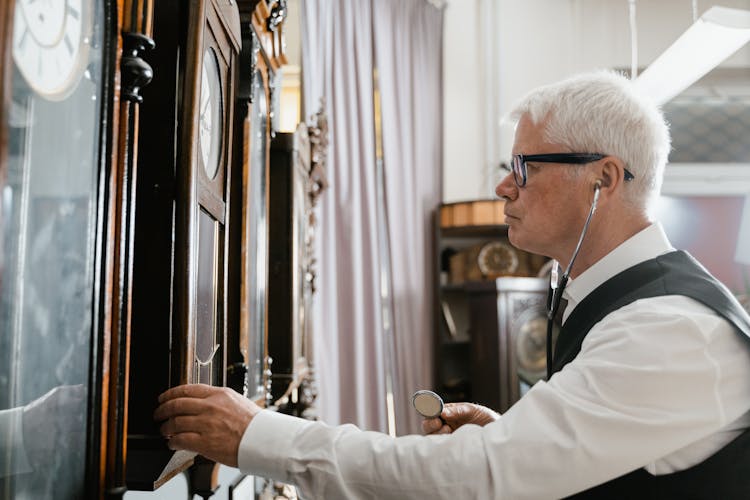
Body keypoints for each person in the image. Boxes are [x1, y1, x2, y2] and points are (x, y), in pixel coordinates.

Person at [154, 71, 750, 499]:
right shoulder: (617, 302)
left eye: (525, 168)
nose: (503, 189)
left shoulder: (668, 330)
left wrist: (261, 436)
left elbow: (480, 481)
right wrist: (514, 438)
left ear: (604, 178)